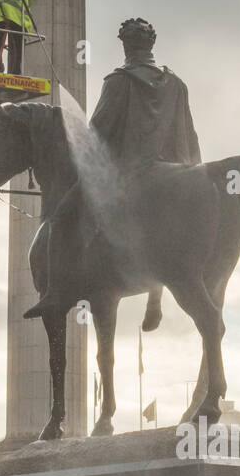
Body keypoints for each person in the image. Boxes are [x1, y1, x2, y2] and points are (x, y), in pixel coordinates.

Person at [26, 19, 201, 320]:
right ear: (151, 44)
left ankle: (54, 293)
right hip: (176, 169)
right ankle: (155, 299)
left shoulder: (118, 81)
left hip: (128, 174)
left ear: (125, 45)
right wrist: (193, 172)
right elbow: (189, 132)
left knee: (60, 217)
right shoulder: (177, 84)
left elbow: (96, 133)